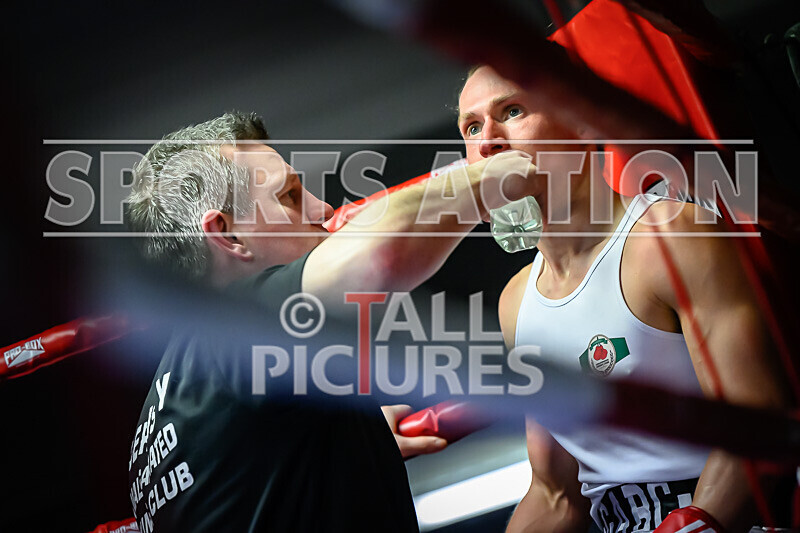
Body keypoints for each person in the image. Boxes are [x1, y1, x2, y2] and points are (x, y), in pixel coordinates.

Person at [125, 111, 537, 532]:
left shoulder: (160, 421)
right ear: (228, 236)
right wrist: (500, 172)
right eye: (288, 196)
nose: (321, 208)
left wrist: (344, 445)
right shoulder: (239, 329)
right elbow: (382, 254)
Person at [457, 66, 792, 532]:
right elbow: (557, 495)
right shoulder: (516, 303)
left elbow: (760, 421)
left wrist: (701, 521)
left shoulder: (668, 237)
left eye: (512, 111)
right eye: (471, 127)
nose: (487, 140)